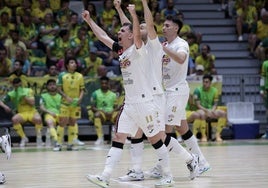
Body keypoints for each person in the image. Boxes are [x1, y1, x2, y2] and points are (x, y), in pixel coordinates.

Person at [82, 4, 174, 187]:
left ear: (131, 35)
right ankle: (105, 176)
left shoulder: (139, 49)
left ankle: (168, 176)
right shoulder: (121, 51)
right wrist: (89, 20)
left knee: (156, 140)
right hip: (130, 105)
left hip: (145, 104)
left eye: (122, 31)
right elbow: (102, 36)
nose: (118, 33)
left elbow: (138, 33)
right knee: (119, 138)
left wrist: (133, 13)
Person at [115, 0, 199, 182]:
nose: (140, 28)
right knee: (136, 133)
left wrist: (144, 5)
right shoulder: (136, 46)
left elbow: (144, 24)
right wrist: (119, 9)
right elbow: (128, 28)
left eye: (143, 27)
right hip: (140, 98)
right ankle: (137, 171)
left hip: (154, 97)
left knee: (160, 137)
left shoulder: (154, 45)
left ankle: (190, 160)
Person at [1, 78, 43, 147]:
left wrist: (23, 96)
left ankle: (39, 138)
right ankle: (24, 138)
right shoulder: (12, 93)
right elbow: (1, 101)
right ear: (14, 86)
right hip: (22, 113)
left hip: (32, 112)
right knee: (14, 119)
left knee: (38, 119)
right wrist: (5, 107)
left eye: (19, 85)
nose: (18, 87)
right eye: (16, 86)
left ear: (21, 84)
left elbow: (32, 103)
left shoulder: (28, 91)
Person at [54, 57, 85, 151]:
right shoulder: (62, 75)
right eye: (71, 62)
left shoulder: (80, 76)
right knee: (62, 122)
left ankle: (70, 144)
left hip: (75, 104)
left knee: (72, 123)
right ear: (67, 65)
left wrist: (80, 98)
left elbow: (82, 89)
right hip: (65, 103)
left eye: (75, 62)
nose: (74, 64)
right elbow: (58, 88)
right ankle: (58, 144)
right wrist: (66, 97)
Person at [193, 74, 227, 142]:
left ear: (210, 83)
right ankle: (203, 136)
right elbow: (198, 105)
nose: (204, 83)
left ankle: (217, 135)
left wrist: (212, 110)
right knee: (201, 114)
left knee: (223, 113)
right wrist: (207, 111)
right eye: (204, 82)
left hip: (211, 110)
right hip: (201, 110)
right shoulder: (197, 90)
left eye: (207, 82)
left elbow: (215, 104)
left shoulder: (215, 90)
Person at [88, 76, 117, 145]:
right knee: (97, 115)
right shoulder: (95, 93)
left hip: (111, 113)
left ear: (108, 84)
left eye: (105, 83)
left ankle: (117, 136)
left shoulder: (113, 94)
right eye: (102, 83)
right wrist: (102, 111)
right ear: (100, 84)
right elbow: (92, 107)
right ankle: (100, 137)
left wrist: (112, 111)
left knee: (120, 115)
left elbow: (116, 107)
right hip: (102, 114)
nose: (104, 85)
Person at [39, 79, 61, 149]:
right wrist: (49, 112)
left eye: (54, 84)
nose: (52, 86)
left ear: (56, 86)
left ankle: (72, 140)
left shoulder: (61, 96)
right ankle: (56, 141)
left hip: (60, 114)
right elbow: (41, 107)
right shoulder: (43, 96)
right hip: (49, 114)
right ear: (47, 87)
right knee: (50, 122)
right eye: (50, 85)